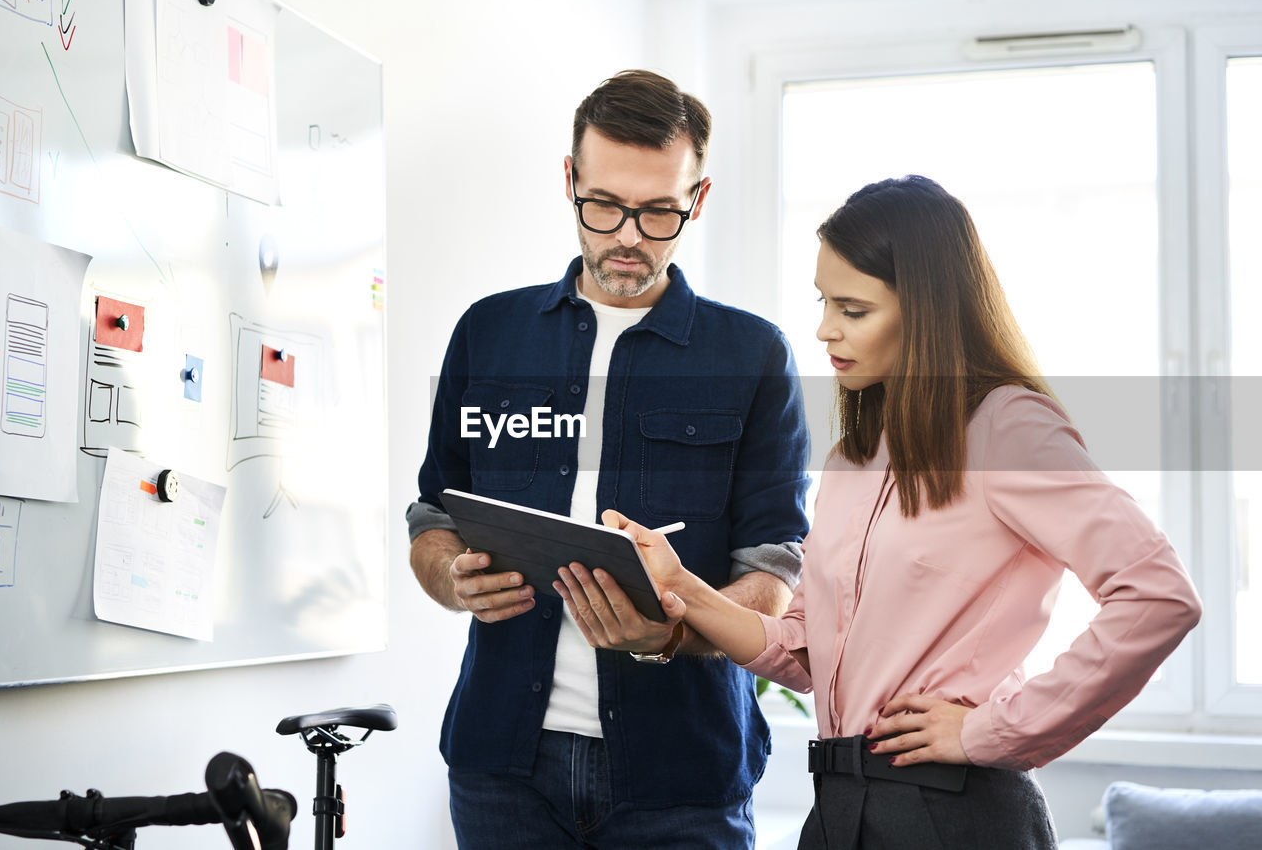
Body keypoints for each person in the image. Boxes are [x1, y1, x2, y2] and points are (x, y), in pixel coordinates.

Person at [564, 175, 1204, 848]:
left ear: (926, 310)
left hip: (954, 809)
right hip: (841, 806)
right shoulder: (854, 460)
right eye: (823, 302)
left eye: (853, 309)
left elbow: (1159, 596)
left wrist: (993, 728)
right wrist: (680, 589)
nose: (824, 328)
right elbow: (803, 650)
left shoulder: (1007, 429)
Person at [406, 69, 811, 849]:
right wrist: (452, 578)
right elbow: (433, 518)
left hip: (682, 777)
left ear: (698, 197)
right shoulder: (488, 334)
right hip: (503, 773)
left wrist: (671, 631)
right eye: (605, 205)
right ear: (569, 180)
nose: (628, 235)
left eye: (660, 211)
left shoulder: (752, 354)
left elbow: (773, 574)